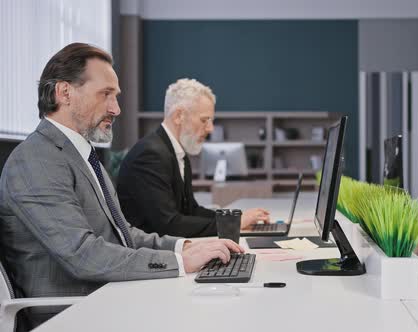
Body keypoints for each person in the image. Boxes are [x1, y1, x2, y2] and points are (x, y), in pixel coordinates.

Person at [0, 43, 242, 330]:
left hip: (108, 295)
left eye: (116, 96)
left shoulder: (83, 155)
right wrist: (179, 262)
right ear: (64, 92)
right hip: (73, 314)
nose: (116, 108)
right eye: (106, 94)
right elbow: (84, 255)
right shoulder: (36, 160)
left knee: (222, 303)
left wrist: (187, 246)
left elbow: (123, 234)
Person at [116, 78, 270, 238]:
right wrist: (233, 224)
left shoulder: (176, 152)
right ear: (178, 116)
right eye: (204, 120)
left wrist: (235, 218)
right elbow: (169, 225)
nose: (210, 129)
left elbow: (191, 211)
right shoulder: (150, 155)